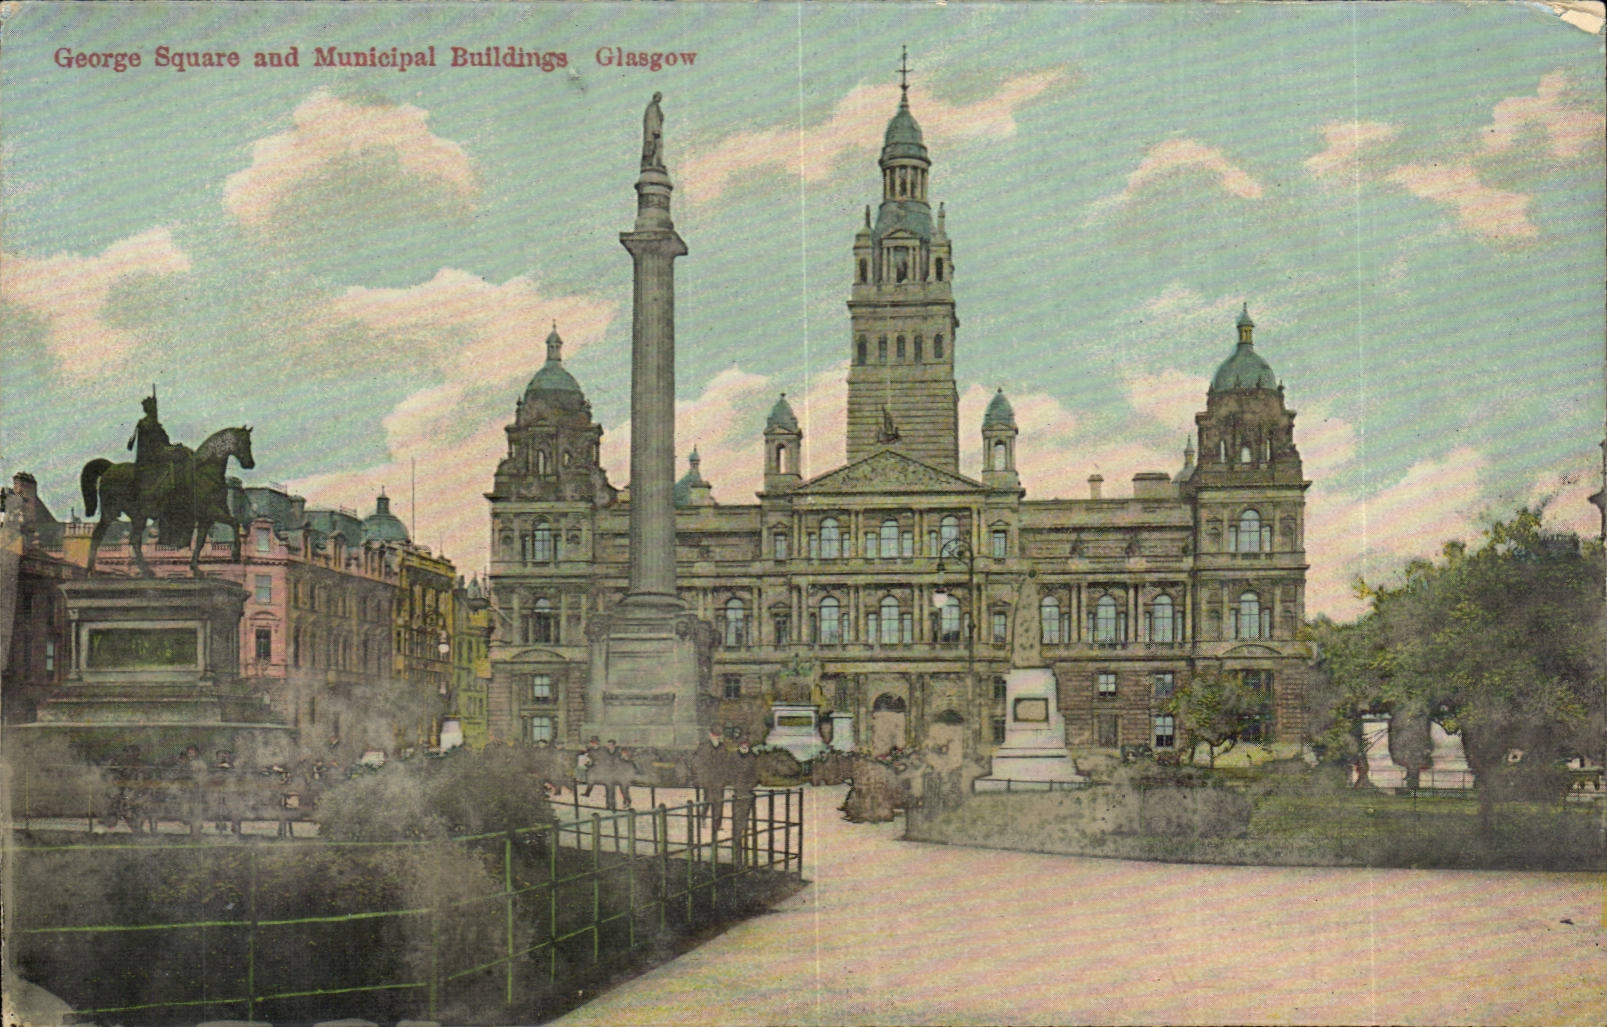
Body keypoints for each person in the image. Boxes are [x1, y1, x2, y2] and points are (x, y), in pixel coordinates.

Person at [692, 725, 731, 839]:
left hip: (719, 780)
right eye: (714, 735)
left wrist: (725, 777)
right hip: (708, 779)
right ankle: (703, 818)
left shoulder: (723, 747)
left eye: (718, 735)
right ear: (710, 735)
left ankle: (717, 824)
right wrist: (701, 777)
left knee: (719, 802)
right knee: (707, 800)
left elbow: (726, 763)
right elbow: (697, 763)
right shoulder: (703, 747)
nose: (716, 737)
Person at [730, 741, 759, 864]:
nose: (744, 747)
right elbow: (730, 772)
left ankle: (743, 847)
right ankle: (737, 849)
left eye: (746, 745)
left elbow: (756, 774)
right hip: (737, 792)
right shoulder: (733, 757)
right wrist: (735, 784)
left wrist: (749, 786)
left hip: (747, 792)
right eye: (742, 745)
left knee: (745, 820)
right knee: (737, 820)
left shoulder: (753, 758)